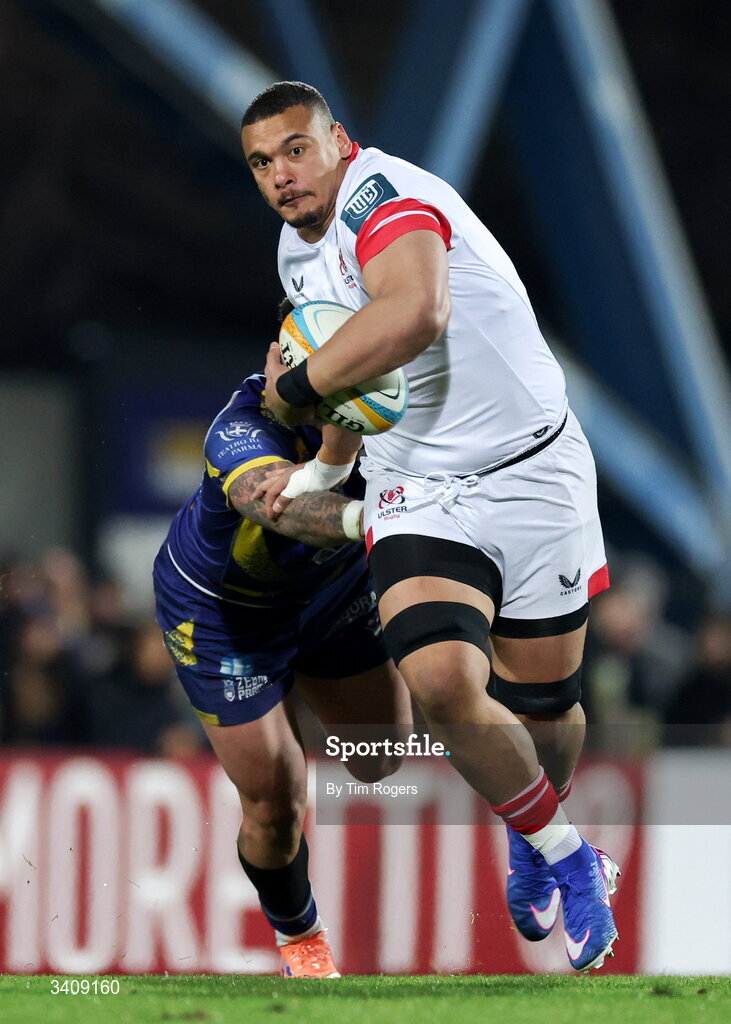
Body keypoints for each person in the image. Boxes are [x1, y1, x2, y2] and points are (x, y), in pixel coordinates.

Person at [240, 81, 620, 972]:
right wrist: (330, 470)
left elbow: (413, 314)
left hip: (535, 473)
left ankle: (534, 837)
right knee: (442, 680)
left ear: (340, 139)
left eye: (297, 149)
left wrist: (288, 392)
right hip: (419, 486)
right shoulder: (296, 251)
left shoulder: (386, 196)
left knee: (545, 706)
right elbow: (347, 360)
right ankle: (571, 858)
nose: (282, 175)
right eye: (262, 162)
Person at [152, 353, 411, 977]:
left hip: (333, 596)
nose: (275, 369)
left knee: (381, 760)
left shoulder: (390, 413)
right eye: (278, 353)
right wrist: (376, 519)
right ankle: (303, 941)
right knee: (275, 802)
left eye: (291, 358)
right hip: (226, 618)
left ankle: (294, 700)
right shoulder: (239, 429)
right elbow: (278, 506)